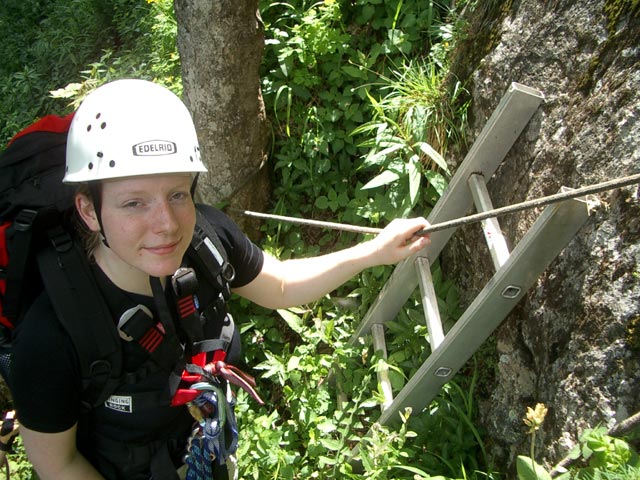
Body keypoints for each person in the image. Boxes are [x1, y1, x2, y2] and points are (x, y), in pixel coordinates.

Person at [9, 79, 430, 480]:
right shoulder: (51, 337)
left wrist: (373, 252)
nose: (167, 225)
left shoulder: (207, 238)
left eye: (177, 194)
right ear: (88, 210)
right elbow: (58, 465)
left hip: (203, 441)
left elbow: (279, 284)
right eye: (134, 203)